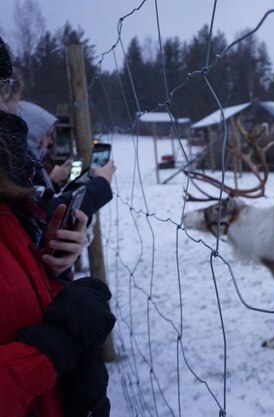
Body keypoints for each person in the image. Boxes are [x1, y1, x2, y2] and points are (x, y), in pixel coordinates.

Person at [0, 35, 115, 417]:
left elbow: (58, 194)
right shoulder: (30, 171)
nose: (49, 141)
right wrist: (58, 343)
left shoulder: (14, 201)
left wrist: (52, 266)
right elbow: (62, 189)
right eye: (44, 137)